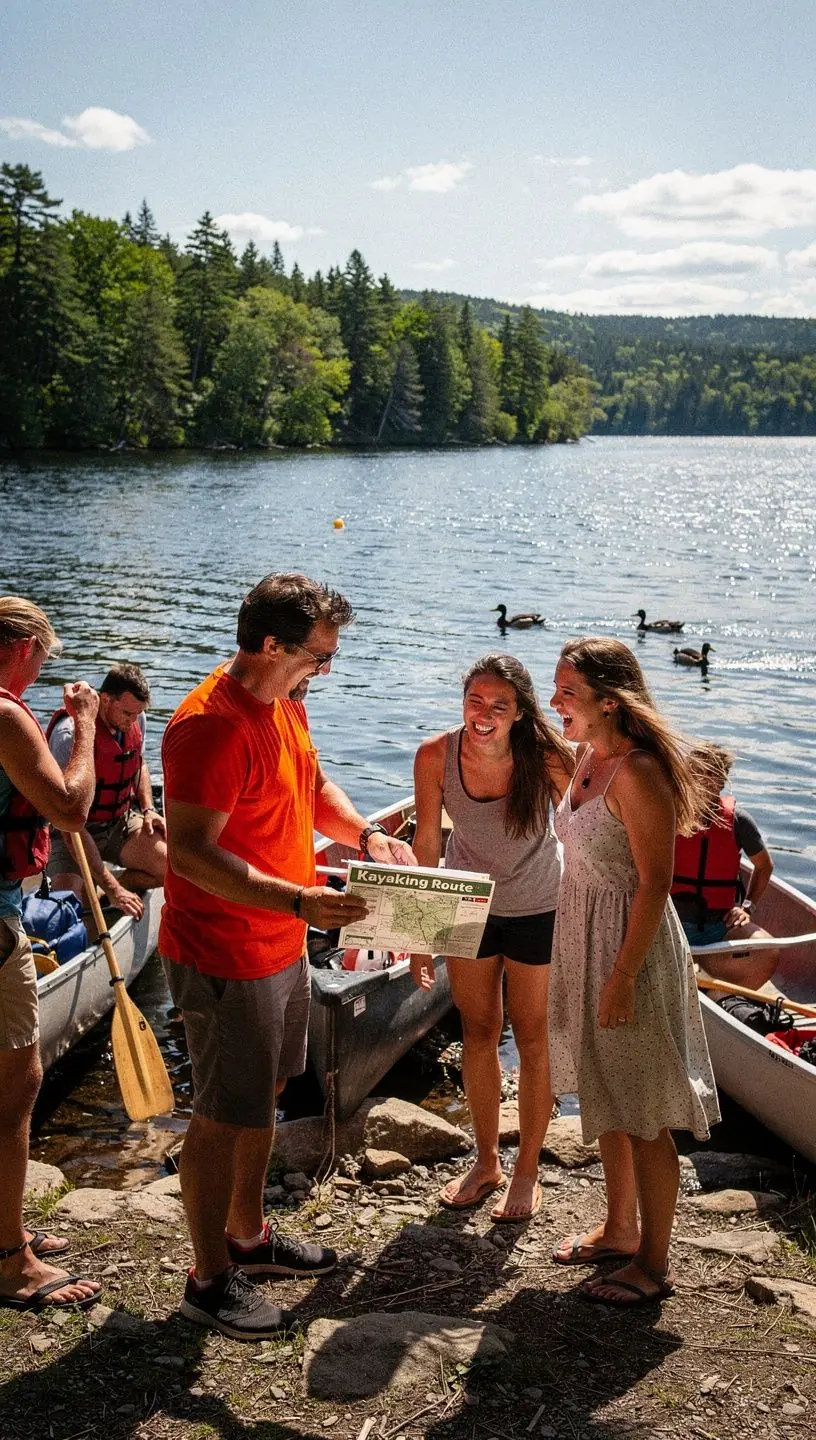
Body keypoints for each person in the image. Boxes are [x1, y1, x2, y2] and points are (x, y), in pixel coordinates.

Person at [160, 572, 416, 1341]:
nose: (327, 669)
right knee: (218, 1114)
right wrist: (302, 902)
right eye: (318, 655)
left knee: (266, 1090)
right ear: (271, 645)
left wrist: (362, 837)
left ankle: (248, 1234)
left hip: (278, 941)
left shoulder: (283, 704)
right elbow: (193, 855)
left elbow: (311, 786)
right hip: (225, 950)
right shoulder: (209, 725)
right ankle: (208, 1280)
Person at [548, 637, 720, 1306]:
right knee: (609, 1091)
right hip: (587, 938)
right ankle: (619, 1229)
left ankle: (654, 1265)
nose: (555, 700)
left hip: (632, 951)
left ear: (609, 702)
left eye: (568, 692)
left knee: (646, 1109)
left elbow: (654, 885)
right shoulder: (588, 754)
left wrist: (620, 978)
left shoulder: (638, 772)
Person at [410, 654, 574, 1222]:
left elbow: (584, 829)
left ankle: (526, 1169)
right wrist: (419, 936)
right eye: (475, 701)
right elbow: (427, 844)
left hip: (538, 907)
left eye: (499, 706)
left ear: (521, 713)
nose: (483, 714)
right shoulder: (435, 755)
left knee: (532, 1038)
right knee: (478, 1032)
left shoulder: (549, 757)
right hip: (465, 906)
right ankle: (486, 1162)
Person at [0, 597, 102, 1312]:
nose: (42, 671)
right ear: (24, 647)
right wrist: (88, 726)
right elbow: (69, 808)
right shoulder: (6, 714)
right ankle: (11, 1263)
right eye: (44, 656)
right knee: (17, 1088)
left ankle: (8, 1229)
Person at [47, 662, 166, 925]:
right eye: (126, 713)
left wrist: (148, 809)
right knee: (64, 911)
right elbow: (69, 826)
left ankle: (101, 893)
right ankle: (99, 894)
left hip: (118, 824)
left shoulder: (136, 719)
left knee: (176, 869)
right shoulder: (69, 736)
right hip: (73, 834)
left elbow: (139, 763)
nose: (132, 720)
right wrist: (114, 888)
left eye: (137, 714)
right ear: (105, 700)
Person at [672, 742, 778, 990]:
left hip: (717, 928)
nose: (705, 780)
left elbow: (764, 866)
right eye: (698, 772)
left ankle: (722, 994)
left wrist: (747, 907)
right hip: (668, 925)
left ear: (722, 781)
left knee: (768, 951)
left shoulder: (739, 821)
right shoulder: (669, 814)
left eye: (712, 774)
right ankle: (696, 976)